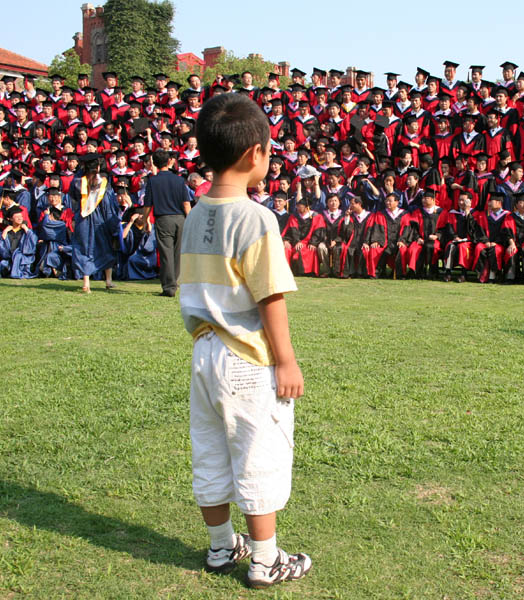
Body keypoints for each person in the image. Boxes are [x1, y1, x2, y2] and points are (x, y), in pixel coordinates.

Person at [179, 93, 310, 588]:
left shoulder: (195, 214)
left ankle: (219, 549)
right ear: (255, 153)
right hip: (247, 358)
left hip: (204, 354)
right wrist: (287, 361)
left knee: (211, 451)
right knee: (259, 453)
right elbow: (270, 298)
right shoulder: (256, 218)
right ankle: (264, 560)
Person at [143, 148, 191, 296]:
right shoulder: (179, 179)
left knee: (166, 253)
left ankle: (169, 287)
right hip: (180, 218)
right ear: (169, 161)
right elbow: (186, 204)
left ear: (155, 164)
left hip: (164, 219)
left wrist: (145, 220)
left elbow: (148, 205)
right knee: (177, 253)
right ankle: (175, 282)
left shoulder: (153, 181)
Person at [69, 153, 119, 292]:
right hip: (100, 220)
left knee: (84, 248)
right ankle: (108, 281)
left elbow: (72, 200)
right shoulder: (103, 183)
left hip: (82, 220)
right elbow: (108, 205)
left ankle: (86, 284)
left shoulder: (77, 182)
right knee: (105, 247)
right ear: (97, 167)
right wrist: (112, 222)